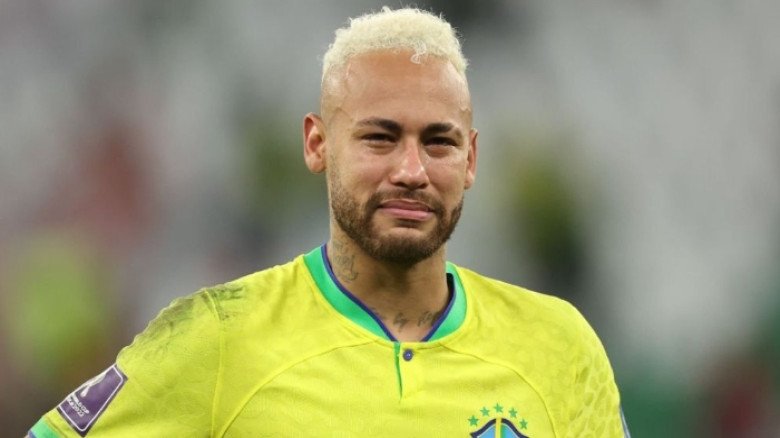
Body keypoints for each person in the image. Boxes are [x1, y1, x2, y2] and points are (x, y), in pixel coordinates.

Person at [28, 7, 629, 437]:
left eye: (438, 142)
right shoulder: (220, 338)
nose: (412, 170)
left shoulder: (559, 346)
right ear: (318, 145)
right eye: (380, 138)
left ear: (470, 159)